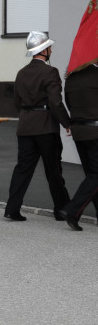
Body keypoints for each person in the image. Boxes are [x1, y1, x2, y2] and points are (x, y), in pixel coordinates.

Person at [4, 31, 72, 221]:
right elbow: (55, 102)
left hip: (25, 126)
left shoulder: (21, 72)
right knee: (53, 170)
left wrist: (28, 114)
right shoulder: (50, 72)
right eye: (49, 47)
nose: (51, 50)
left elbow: (17, 102)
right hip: (45, 127)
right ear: (44, 50)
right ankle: (62, 210)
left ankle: (11, 209)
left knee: (22, 169)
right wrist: (66, 122)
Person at [60, 62, 98, 231]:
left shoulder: (71, 77)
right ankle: (72, 210)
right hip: (95, 131)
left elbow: (69, 104)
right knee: (95, 175)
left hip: (79, 131)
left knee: (92, 175)